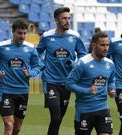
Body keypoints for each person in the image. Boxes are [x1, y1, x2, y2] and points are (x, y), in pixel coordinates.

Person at [36, 7, 87, 135]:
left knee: (59, 119)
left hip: (68, 82)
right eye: (64, 18)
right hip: (51, 81)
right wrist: (42, 66)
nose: (67, 21)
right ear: (57, 20)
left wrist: (75, 65)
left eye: (69, 18)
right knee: (56, 116)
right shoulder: (47, 36)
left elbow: (83, 55)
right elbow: (36, 53)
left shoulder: (75, 36)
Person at [0, 19, 40, 135]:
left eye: (24, 33)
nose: (22, 36)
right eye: (19, 33)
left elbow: (37, 66)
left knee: (17, 127)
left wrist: (31, 73)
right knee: (9, 124)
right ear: (13, 32)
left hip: (23, 91)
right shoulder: (1, 47)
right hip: (6, 90)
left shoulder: (30, 48)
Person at [65, 32, 115, 135]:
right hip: (85, 110)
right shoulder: (82, 63)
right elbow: (69, 84)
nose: (106, 48)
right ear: (93, 45)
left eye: (107, 45)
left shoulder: (110, 64)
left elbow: (111, 80)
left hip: (103, 108)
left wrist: (112, 89)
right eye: (102, 45)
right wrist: (87, 91)